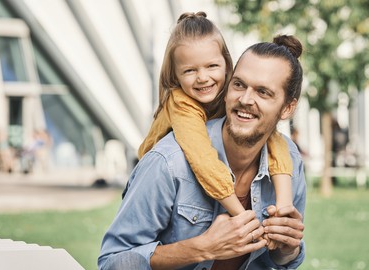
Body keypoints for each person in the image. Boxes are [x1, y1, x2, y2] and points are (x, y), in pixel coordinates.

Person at [98, 33, 306, 269]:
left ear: (288, 108)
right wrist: (202, 248)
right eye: (238, 85)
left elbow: (279, 261)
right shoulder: (168, 162)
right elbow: (113, 261)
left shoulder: (289, 159)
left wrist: (288, 249)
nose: (246, 99)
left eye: (263, 92)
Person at [137, 12, 293, 242]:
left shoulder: (228, 94)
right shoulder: (182, 104)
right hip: (159, 186)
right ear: (175, 75)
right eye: (190, 70)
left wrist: (284, 204)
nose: (202, 78)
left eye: (211, 66)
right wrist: (245, 220)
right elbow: (203, 160)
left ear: (226, 64)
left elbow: (273, 138)